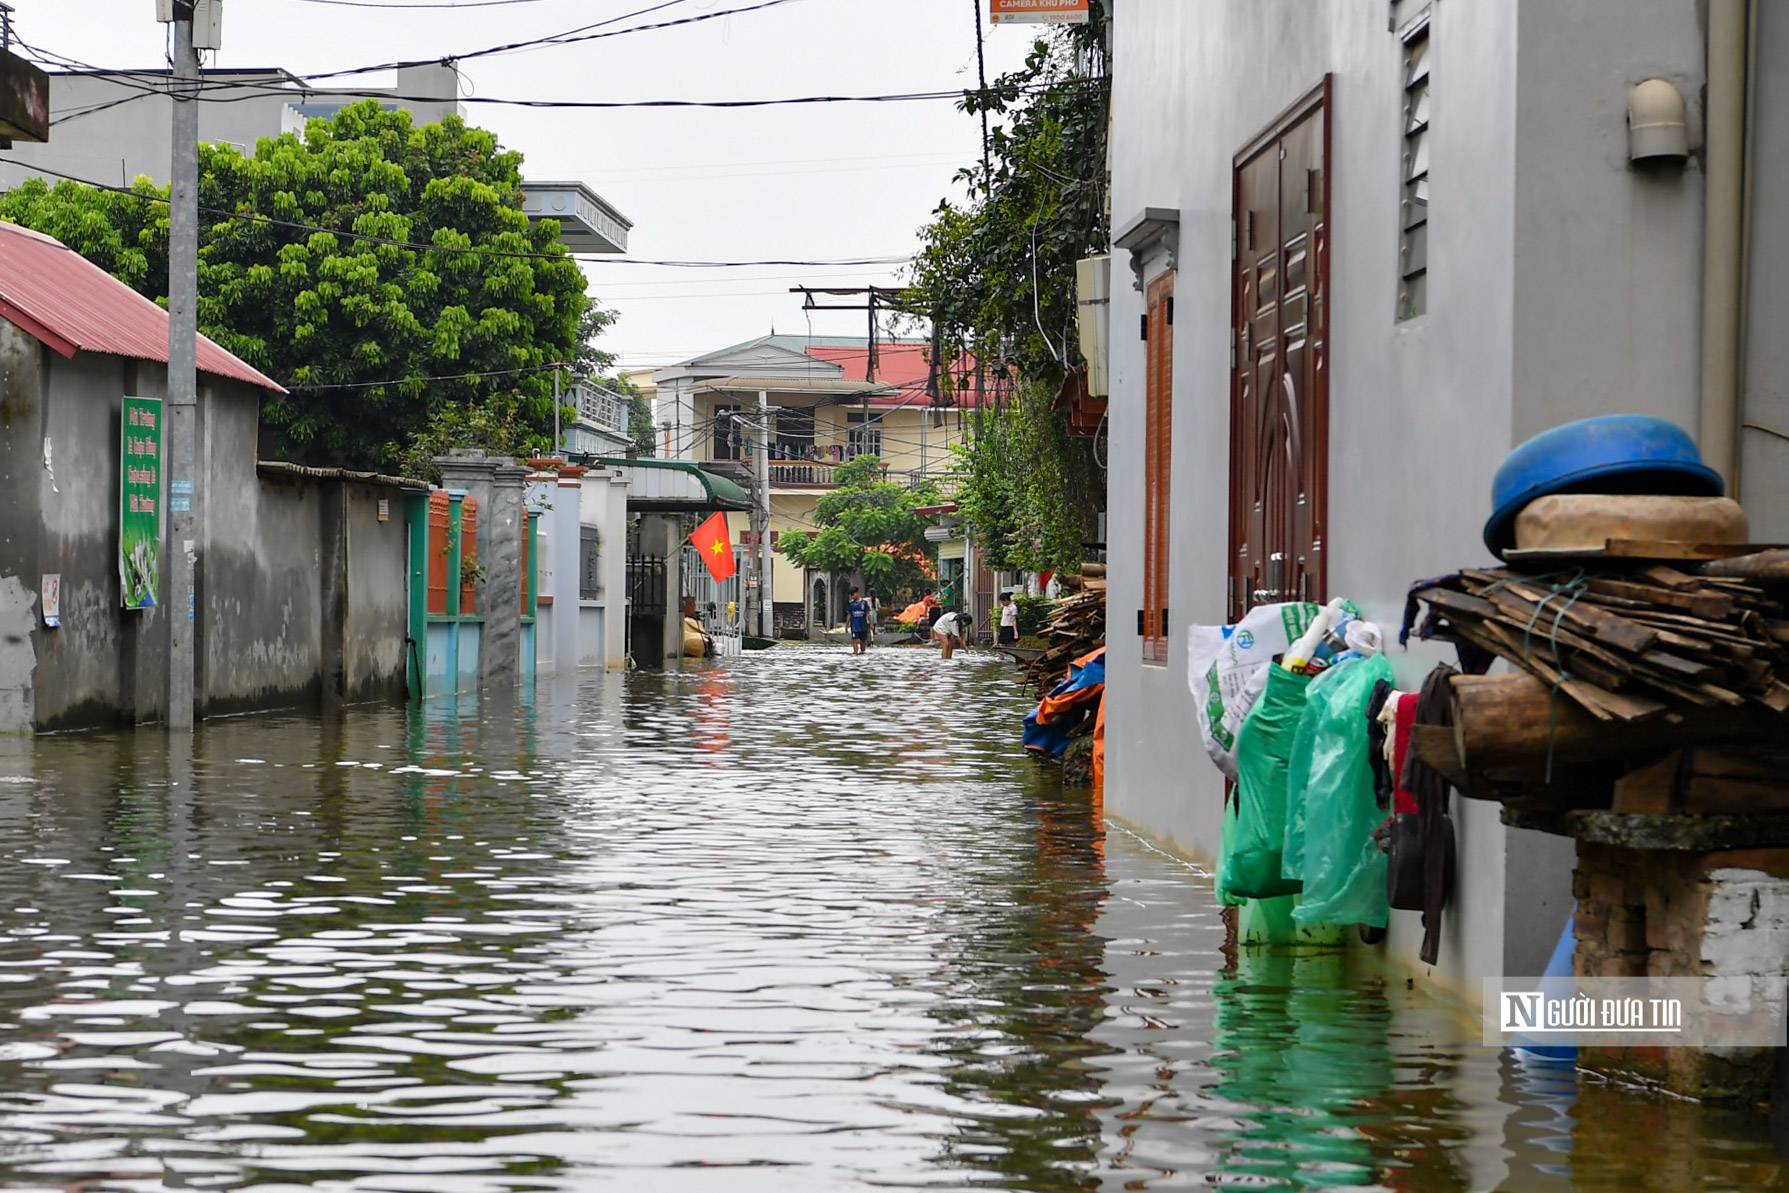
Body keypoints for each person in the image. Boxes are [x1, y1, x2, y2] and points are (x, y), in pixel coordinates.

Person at [846, 586, 873, 655]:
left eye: (853, 594)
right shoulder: (851, 604)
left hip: (863, 626)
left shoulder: (864, 603)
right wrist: (846, 626)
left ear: (857, 593)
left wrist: (871, 624)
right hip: (854, 626)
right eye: (851, 595)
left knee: (863, 640)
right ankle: (855, 652)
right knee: (855, 640)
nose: (852, 596)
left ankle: (862, 652)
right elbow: (849, 615)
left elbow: (868, 614)